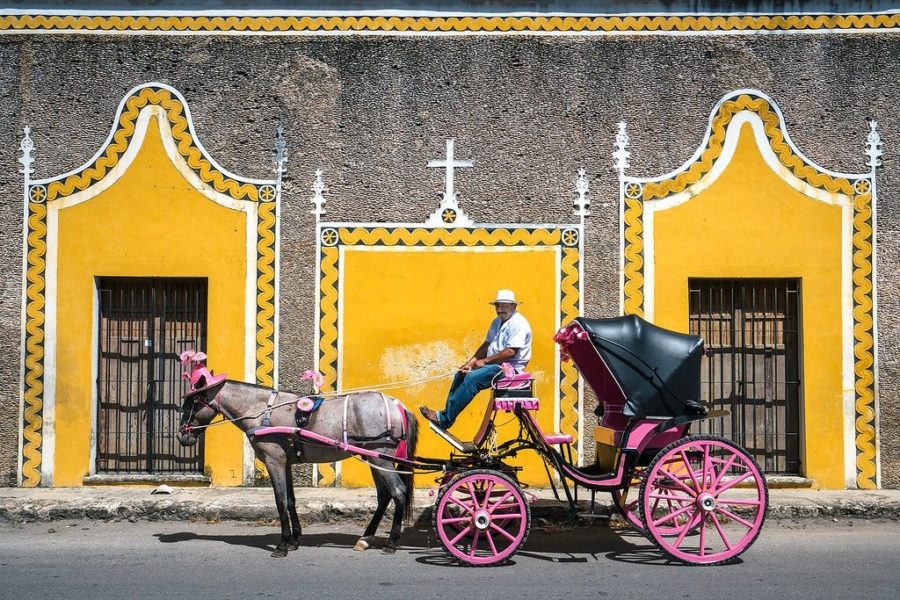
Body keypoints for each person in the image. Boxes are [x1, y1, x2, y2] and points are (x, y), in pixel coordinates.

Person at [420, 289, 532, 430]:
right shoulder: (497, 322)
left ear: (514, 306)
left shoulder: (519, 323)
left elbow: (511, 351)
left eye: (504, 305)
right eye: (498, 306)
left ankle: (445, 419)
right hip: (495, 365)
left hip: (509, 368)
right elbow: (486, 345)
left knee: (473, 379)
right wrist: (470, 363)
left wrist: (485, 361)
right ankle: (445, 415)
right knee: (461, 374)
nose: (500, 309)